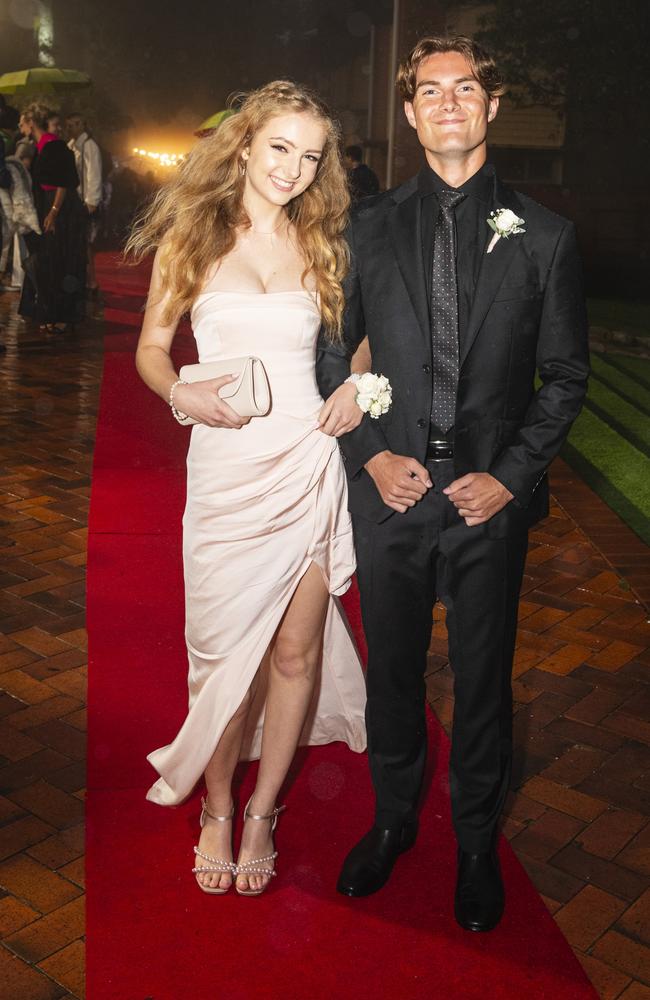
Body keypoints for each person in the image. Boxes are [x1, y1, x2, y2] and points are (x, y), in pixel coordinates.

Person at [316, 34, 589, 931]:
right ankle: (393, 819)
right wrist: (369, 456)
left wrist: (509, 479)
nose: (446, 102)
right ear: (408, 112)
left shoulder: (545, 236)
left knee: (483, 680)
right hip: (389, 495)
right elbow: (331, 352)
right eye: (428, 90)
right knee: (394, 674)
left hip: (487, 507)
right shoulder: (367, 225)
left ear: (490, 105)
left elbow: (566, 378)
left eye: (463, 88)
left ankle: (475, 839)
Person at [126, 81, 367, 897]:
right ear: (243, 144)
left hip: (305, 461)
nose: (294, 169)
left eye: (310, 156)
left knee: (296, 650)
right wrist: (177, 393)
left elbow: (361, 344)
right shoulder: (191, 238)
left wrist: (358, 388)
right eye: (280, 148)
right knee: (226, 659)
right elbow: (152, 349)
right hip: (226, 472)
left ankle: (262, 812)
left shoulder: (325, 241)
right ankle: (218, 806)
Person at [18, 103, 86, 333]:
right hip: (48, 206)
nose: (19, 126)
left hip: (61, 209)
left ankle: (60, 315)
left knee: (59, 260)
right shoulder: (39, 146)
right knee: (46, 260)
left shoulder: (54, 146)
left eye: (22, 122)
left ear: (31, 124)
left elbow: (63, 182)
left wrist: (54, 212)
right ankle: (43, 310)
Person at [66, 113, 103, 292]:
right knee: (80, 243)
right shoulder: (72, 145)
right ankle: (85, 279)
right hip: (76, 200)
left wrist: (92, 200)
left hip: (86, 201)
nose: (71, 128)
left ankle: (91, 280)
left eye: (74, 124)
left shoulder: (89, 146)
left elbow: (94, 174)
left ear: (82, 125)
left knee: (86, 243)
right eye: (69, 125)